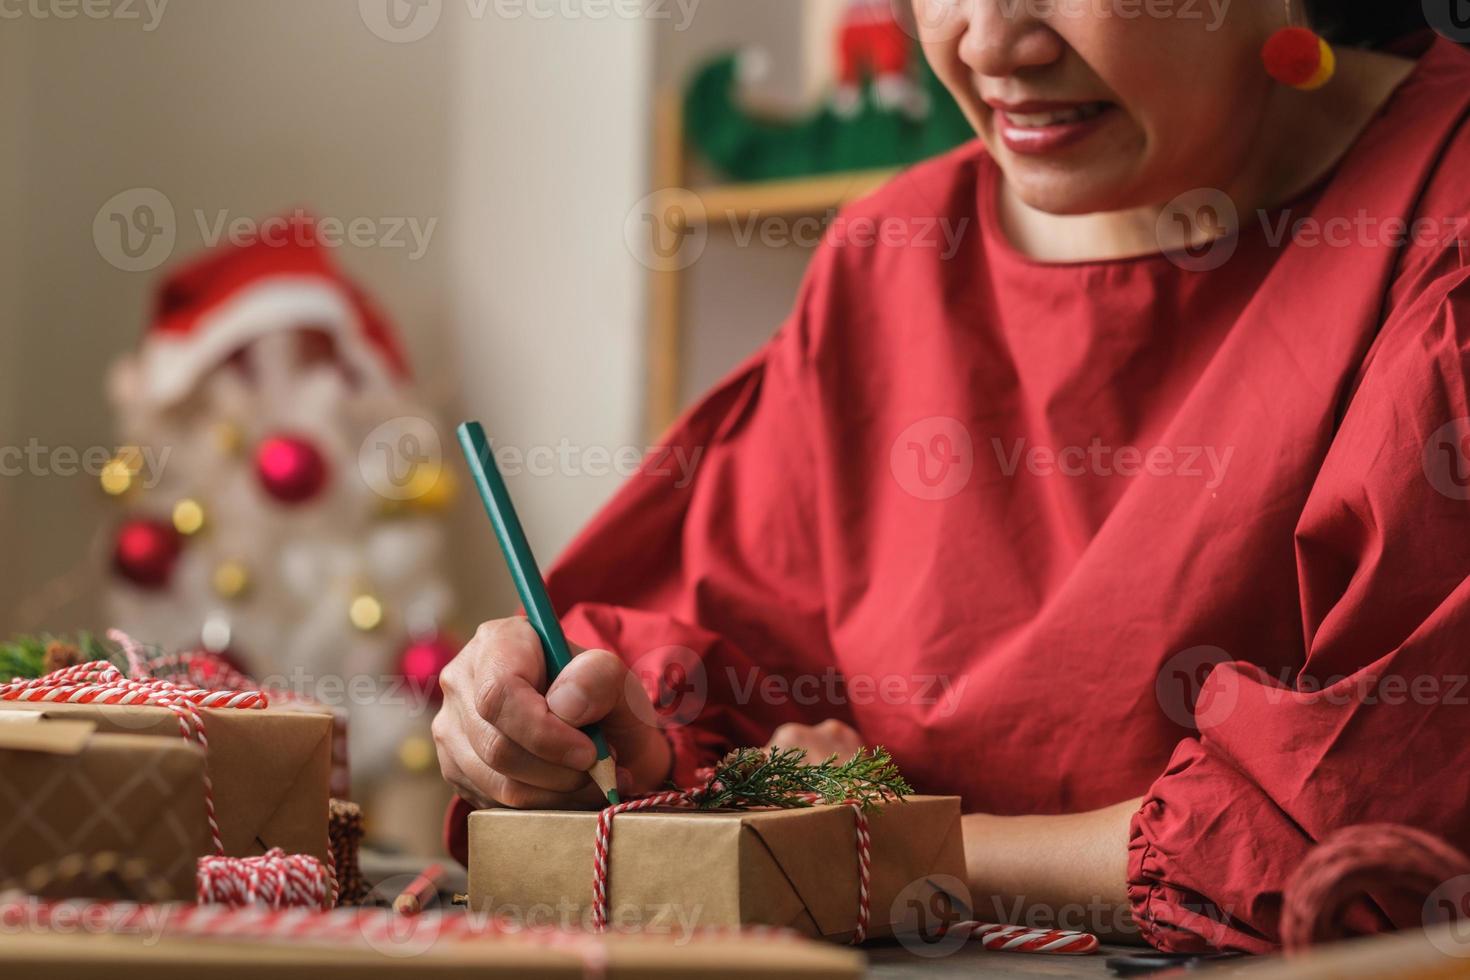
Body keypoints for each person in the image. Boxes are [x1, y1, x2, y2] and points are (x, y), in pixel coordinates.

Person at [434, 1, 1470, 953]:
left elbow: (1362, 838)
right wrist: (580, 725)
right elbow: (721, 686)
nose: (987, 45)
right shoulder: (892, 257)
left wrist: (895, 853)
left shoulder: (1443, 221)